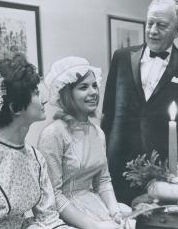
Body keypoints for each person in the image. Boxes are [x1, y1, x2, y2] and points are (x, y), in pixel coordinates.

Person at [101, 0, 178, 205]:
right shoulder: (121, 57)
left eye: (161, 25)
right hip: (116, 162)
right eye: (149, 23)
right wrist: (100, 159)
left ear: (177, 30)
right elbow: (108, 112)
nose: (152, 30)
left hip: (160, 168)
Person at [0, 54, 74, 229]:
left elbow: (48, 218)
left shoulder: (35, 158)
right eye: (35, 93)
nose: (44, 100)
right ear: (15, 107)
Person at [38, 57, 133, 229]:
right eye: (83, 87)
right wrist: (94, 226)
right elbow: (54, 195)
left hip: (94, 204)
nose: (94, 92)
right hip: (66, 215)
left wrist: (114, 212)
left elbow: (103, 180)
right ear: (67, 94)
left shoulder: (98, 133)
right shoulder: (53, 134)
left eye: (94, 85)